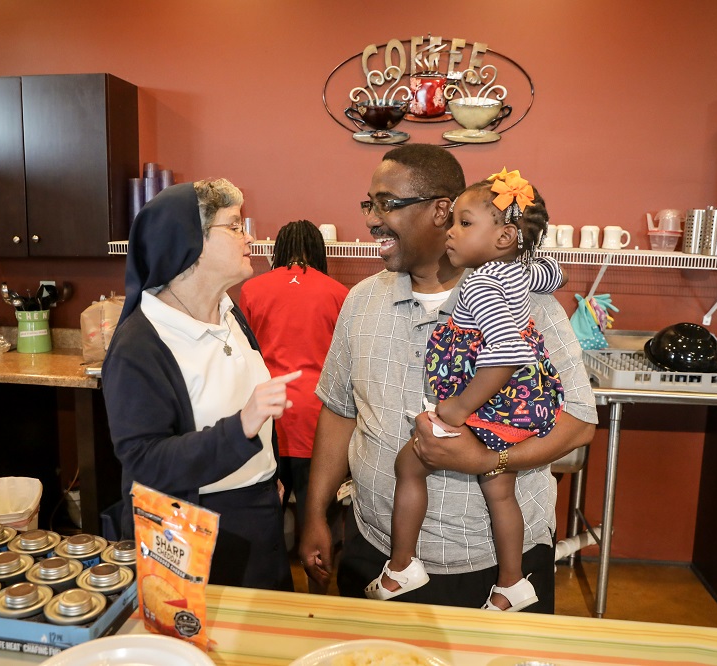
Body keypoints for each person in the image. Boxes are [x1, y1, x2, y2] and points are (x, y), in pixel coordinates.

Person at [299, 144, 598, 611]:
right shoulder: (360, 301)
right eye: (369, 204)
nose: (372, 219)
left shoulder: (525, 305)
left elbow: (579, 422)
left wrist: (487, 461)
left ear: (441, 211)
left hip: (496, 563)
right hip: (374, 549)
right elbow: (339, 411)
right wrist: (315, 512)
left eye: (386, 204)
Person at [365, 170, 565, 611]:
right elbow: (555, 273)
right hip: (518, 404)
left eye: (465, 223)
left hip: (485, 402)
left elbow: (507, 350)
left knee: (409, 463)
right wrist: (526, 255)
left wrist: (456, 408)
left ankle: (401, 568)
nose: (450, 232)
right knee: (500, 489)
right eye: (451, 221)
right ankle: (511, 583)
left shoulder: (479, 284)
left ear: (503, 236)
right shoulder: (518, 273)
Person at [102, 179, 299, 591]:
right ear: (190, 242)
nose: (250, 238)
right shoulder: (140, 343)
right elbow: (144, 459)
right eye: (234, 226)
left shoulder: (229, 313)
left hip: (259, 514)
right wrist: (242, 425)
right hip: (194, 531)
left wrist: (267, 472)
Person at [238, 220, 349, 592]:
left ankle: (274, 593)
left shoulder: (252, 290)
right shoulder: (338, 293)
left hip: (268, 414)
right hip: (319, 420)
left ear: (278, 250)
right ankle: (320, 591)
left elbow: (245, 354)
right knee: (318, 512)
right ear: (319, 251)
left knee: (268, 506)